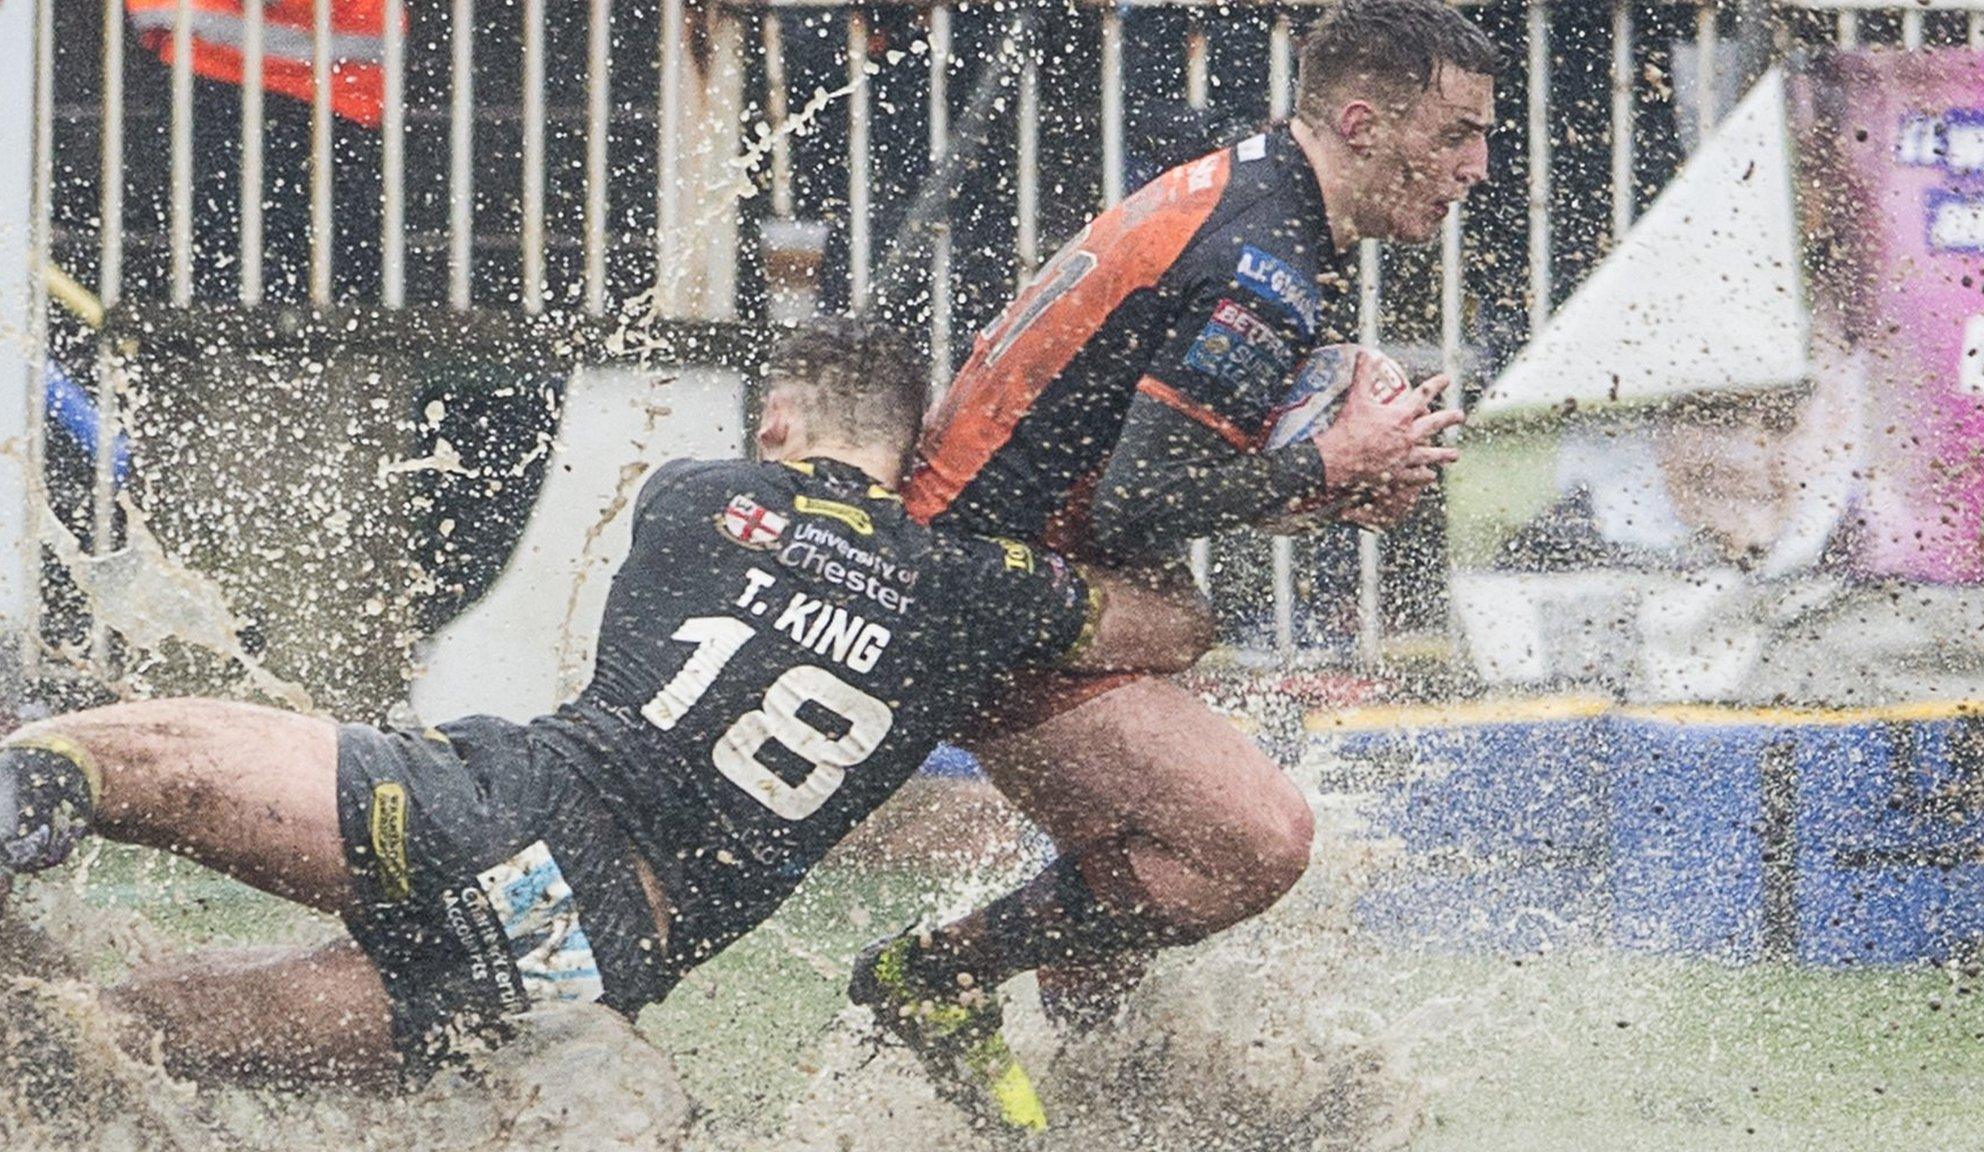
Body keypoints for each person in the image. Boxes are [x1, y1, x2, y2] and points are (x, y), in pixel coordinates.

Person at [0, 319, 1209, 1130]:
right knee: (127, 1044)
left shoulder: (698, 495)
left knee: (95, 763)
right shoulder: (972, 594)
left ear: (776, 419)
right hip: (590, 958)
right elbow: (1170, 630)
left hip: (500, 812)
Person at [854, 0, 1496, 1115]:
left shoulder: (1255, 189)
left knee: (1144, 842)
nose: (1475, 168)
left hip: (988, 556)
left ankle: (1105, 1101)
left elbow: (1134, 479)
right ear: (1359, 121)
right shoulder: (1267, 261)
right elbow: (1142, 498)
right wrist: (1326, 469)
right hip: (981, 584)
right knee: (1256, 843)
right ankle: (937, 971)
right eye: (1452, 135)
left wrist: (1317, 483)